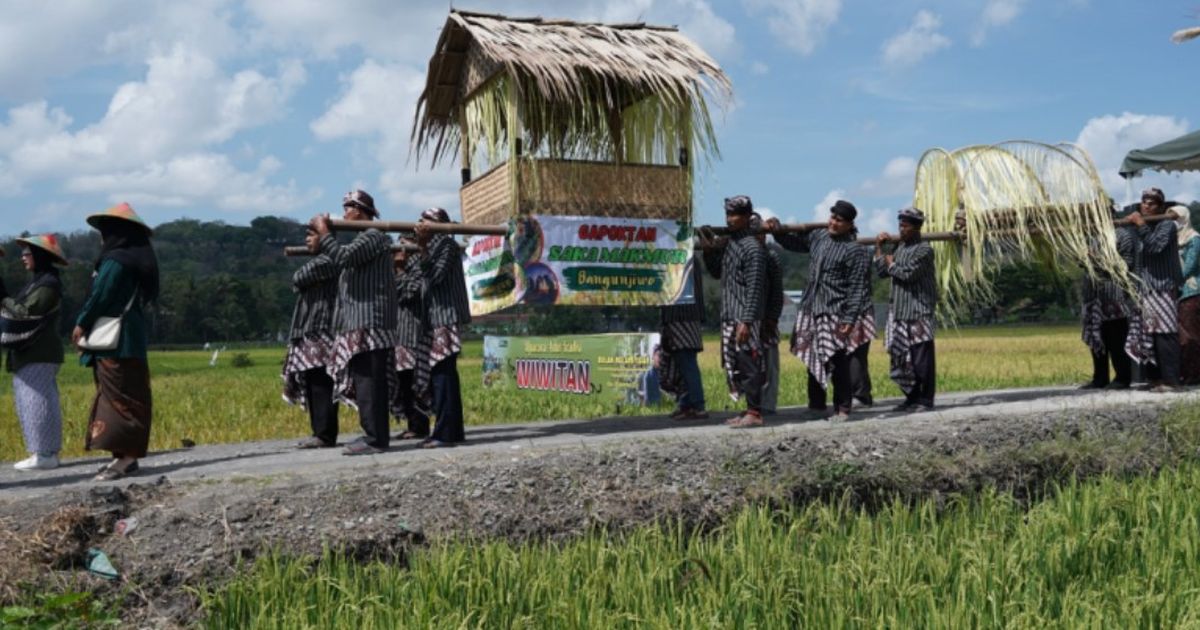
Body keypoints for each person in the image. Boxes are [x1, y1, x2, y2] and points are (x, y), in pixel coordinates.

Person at [71, 203, 159, 481]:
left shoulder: (116, 262)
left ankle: (127, 457)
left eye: (105, 231)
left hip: (118, 342)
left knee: (122, 398)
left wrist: (81, 323)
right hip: (125, 338)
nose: (101, 238)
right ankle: (122, 456)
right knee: (120, 395)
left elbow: (100, 296)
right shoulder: (130, 260)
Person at [312, 189, 398, 455]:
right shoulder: (365, 239)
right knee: (365, 380)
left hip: (370, 320)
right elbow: (342, 257)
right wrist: (329, 239)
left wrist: (325, 235)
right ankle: (372, 435)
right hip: (362, 321)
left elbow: (344, 257)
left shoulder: (373, 235)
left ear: (358, 210)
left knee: (370, 381)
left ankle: (375, 439)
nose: (344, 214)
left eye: (346, 209)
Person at [770, 200, 870, 422]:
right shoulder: (819, 237)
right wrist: (778, 232)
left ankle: (843, 408)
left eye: (839, 220)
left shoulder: (855, 251)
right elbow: (794, 244)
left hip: (835, 309)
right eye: (832, 217)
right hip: (811, 307)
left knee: (837, 360)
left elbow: (857, 289)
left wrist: (850, 318)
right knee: (814, 357)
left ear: (850, 225)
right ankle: (816, 405)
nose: (833, 223)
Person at [700, 195, 766, 428]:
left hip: (743, 317)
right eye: (728, 214)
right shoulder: (730, 245)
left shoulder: (752, 248)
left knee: (749, 363)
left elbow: (755, 287)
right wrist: (709, 252)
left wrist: (746, 321)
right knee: (736, 365)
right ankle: (748, 409)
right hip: (729, 315)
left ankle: (755, 412)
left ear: (748, 217)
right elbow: (718, 273)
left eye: (736, 215)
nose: (730, 219)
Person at [2, 236, 67, 471]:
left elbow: (25, 312)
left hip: (39, 351)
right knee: (36, 400)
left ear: (40, 256)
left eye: (27, 253)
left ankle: (44, 454)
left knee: (36, 401)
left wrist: (3, 297)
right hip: (36, 352)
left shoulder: (47, 285)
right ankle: (45, 452)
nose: (22, 257)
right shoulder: (40, 282)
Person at [414, 207, 471, 447]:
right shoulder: (437, 247)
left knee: (443, 377)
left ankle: (445, 433)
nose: (420, 224)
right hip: (436, 318)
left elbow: (434, 277)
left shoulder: (446, 245)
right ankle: (452, 431)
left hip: (445, 317)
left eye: (425, 220)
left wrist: (424, 248)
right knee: (443, 376)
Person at [874, 208, 938, 411]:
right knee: (900, 356)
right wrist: (879, 248)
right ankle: (911, 397)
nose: (901, 230)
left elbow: (908, 274)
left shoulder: (924, 250)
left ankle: (925, 400)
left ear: (917, 227)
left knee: (921, 358)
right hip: (899, 310)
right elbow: (882, 272)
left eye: (906, 226)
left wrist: (892, 265)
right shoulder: (898, 247)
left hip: (918, 310)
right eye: (900, 225)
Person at [283, 226, 340, 449]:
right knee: (313, 381)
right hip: (310, 327)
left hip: (321, 327)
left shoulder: (328, 261)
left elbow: (299, 277)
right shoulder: (325, 260)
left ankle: (325, 434)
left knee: (321, 382)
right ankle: (319, 431)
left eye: (312, 235)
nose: (307, 240)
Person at [1127, 187, 1183, 392]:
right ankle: (1156, 378)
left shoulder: (1167, 225)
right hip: (1147, 288)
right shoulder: (1144, 227)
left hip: (1163, 286)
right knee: (1149, 334)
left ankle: (1172, 380)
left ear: (1160, 206)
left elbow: (1154, 247)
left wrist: (1140, 225)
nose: (1146, 205)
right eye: (1144, 201)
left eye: (1151, 202)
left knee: (1165, 333)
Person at [1079, 203, 1139, 390]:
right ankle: (1100, 377)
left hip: (1114, 294)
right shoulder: (1092, 237)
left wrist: (1097, 260)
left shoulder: (1123, 236)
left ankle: (1122, 377)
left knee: (1116, 339)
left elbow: (1126, 265)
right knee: (1097, 338)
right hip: (1094, 295)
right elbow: (1084, 263)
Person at [392, 237, 432, 439]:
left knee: (415, 381)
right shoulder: (399, 267)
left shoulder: (418, 266)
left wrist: (399, 270)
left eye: (404, 244)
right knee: (404, 382)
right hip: (399, 333)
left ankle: (419, 426)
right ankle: (412, 424)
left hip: (413, 333)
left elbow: (412, 292)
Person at [658, 256, 707, 420]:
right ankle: (686, 403)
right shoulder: (689, 258)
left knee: (686, 362)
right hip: (685, 317)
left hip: (681, 317)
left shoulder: (682, 258)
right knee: (682, 364)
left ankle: (697, 404)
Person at [751, 213, 784, 416]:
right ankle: (753, 403)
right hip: (749, 317)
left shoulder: (771, 257)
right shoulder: (742, 253)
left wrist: (772, 317)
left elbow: (777, 292)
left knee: (770, 364)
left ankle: (768, 403)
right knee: (750, 365)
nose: (759, 236)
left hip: (766, 317)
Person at [849, 242, 876, 408]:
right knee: (851, 356)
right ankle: (858, 394)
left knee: (856, 355)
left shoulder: (859, 252)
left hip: (859, 310)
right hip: (850, 309)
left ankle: (861, 394)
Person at [1176, 204, 1200, 384]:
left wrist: (1173, 279)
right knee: (1182, 335)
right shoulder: (1175, 239)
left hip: (1191, 291)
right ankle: (1185, 372)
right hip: (1179, 291)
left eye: (1175, 218)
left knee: (1190, 334)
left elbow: (1190, 266)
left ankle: (1193, 374)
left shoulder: (1194, 238)